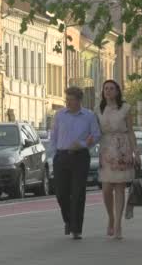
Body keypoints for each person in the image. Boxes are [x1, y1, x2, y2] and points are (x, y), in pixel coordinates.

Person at [51, 86, 101, 240]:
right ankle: (68, 220)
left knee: (78, 193)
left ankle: (76, 228)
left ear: (79, 100)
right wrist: (55, 155)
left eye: (70, 100)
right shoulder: (59, 115)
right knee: (61, 194)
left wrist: (83, 144)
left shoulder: (89, 116)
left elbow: (96, 135)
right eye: (66, 99)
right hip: (62, 157)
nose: (67, 102)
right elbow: (53, 136)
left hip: (80, 157)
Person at [95, 80, 139, 240]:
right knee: (106, 188)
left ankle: (118, 224)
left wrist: (136, 151)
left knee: (120, 189)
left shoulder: (125, 108)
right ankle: (111, 218)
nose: (108, 91)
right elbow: (95, 131)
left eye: (111, 88)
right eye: (105, 88)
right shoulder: (98, 109)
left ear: (117, 91)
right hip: (106, 150)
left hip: (122, 150)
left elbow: (131, 131)